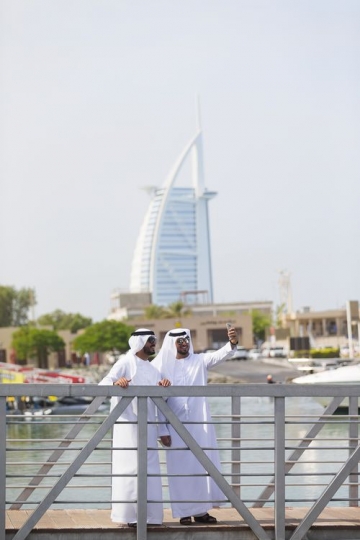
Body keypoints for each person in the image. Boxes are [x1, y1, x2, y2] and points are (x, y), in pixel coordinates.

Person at [152, 325, 238, 525]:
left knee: (202, 467)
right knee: (179, 470)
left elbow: (219, 355)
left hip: (200, 425)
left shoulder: (198, 361)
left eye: (186, 341)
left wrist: (232, 343)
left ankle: (201, 512)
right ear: (172, 344)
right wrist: (162, 429)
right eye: (180, 342)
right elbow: (155, 400)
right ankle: (184, 512)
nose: (184, 344)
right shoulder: (160, 365)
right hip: (173, 427)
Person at [98, 329, 171, 527]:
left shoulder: (153, 369)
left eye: (154, 340)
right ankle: (129, 516)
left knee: (150, 469)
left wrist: (164, 385)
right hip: (127, 426)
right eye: (150, 340)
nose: (154, 344)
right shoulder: (125, 362)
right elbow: (104, 383)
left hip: (148, 427)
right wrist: (116, 383)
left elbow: (160, 400)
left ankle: (150, 517)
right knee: (130, 468)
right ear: (140, 342)